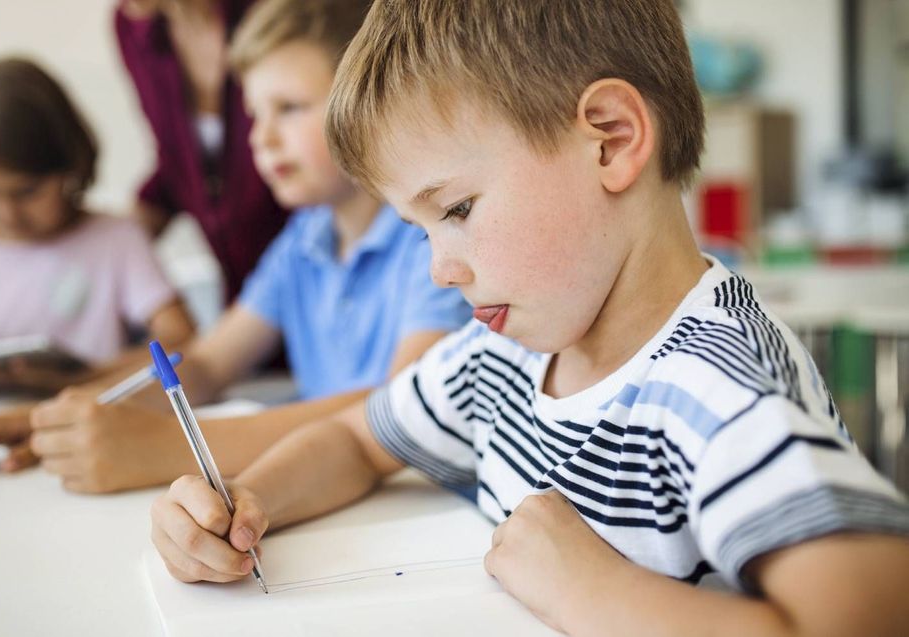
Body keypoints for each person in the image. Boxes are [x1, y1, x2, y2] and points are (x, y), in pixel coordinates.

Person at [149, 1, 909, 635]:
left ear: (610, 138)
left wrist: (587, 589)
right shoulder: (498, 355)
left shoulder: (720, 388)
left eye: (456, 210)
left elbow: (870, 614)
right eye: (421, 230)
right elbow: (357, 439)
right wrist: (247, 501)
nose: (438, 269)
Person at [0, 0, 469, 495]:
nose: (261, 138)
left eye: (290, 107)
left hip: (420, 504)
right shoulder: (302, 241)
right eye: (254, 113)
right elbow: (203, 363)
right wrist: (48, 419)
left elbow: (397, 407)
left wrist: (161, 448)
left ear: (365, 102)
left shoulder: (425, 238)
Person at [0, 58, 194, 483]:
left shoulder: (116, 240)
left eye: (26, 191)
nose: (7, 212)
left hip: (84, 438)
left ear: (71, 166)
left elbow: (181, 338)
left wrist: (86, 375)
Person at [115, 0, 288, 304]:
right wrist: (107, 244)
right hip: (243, 291)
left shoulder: (279, 15)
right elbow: (176, 163)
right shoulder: (133, 29)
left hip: (307, 267)